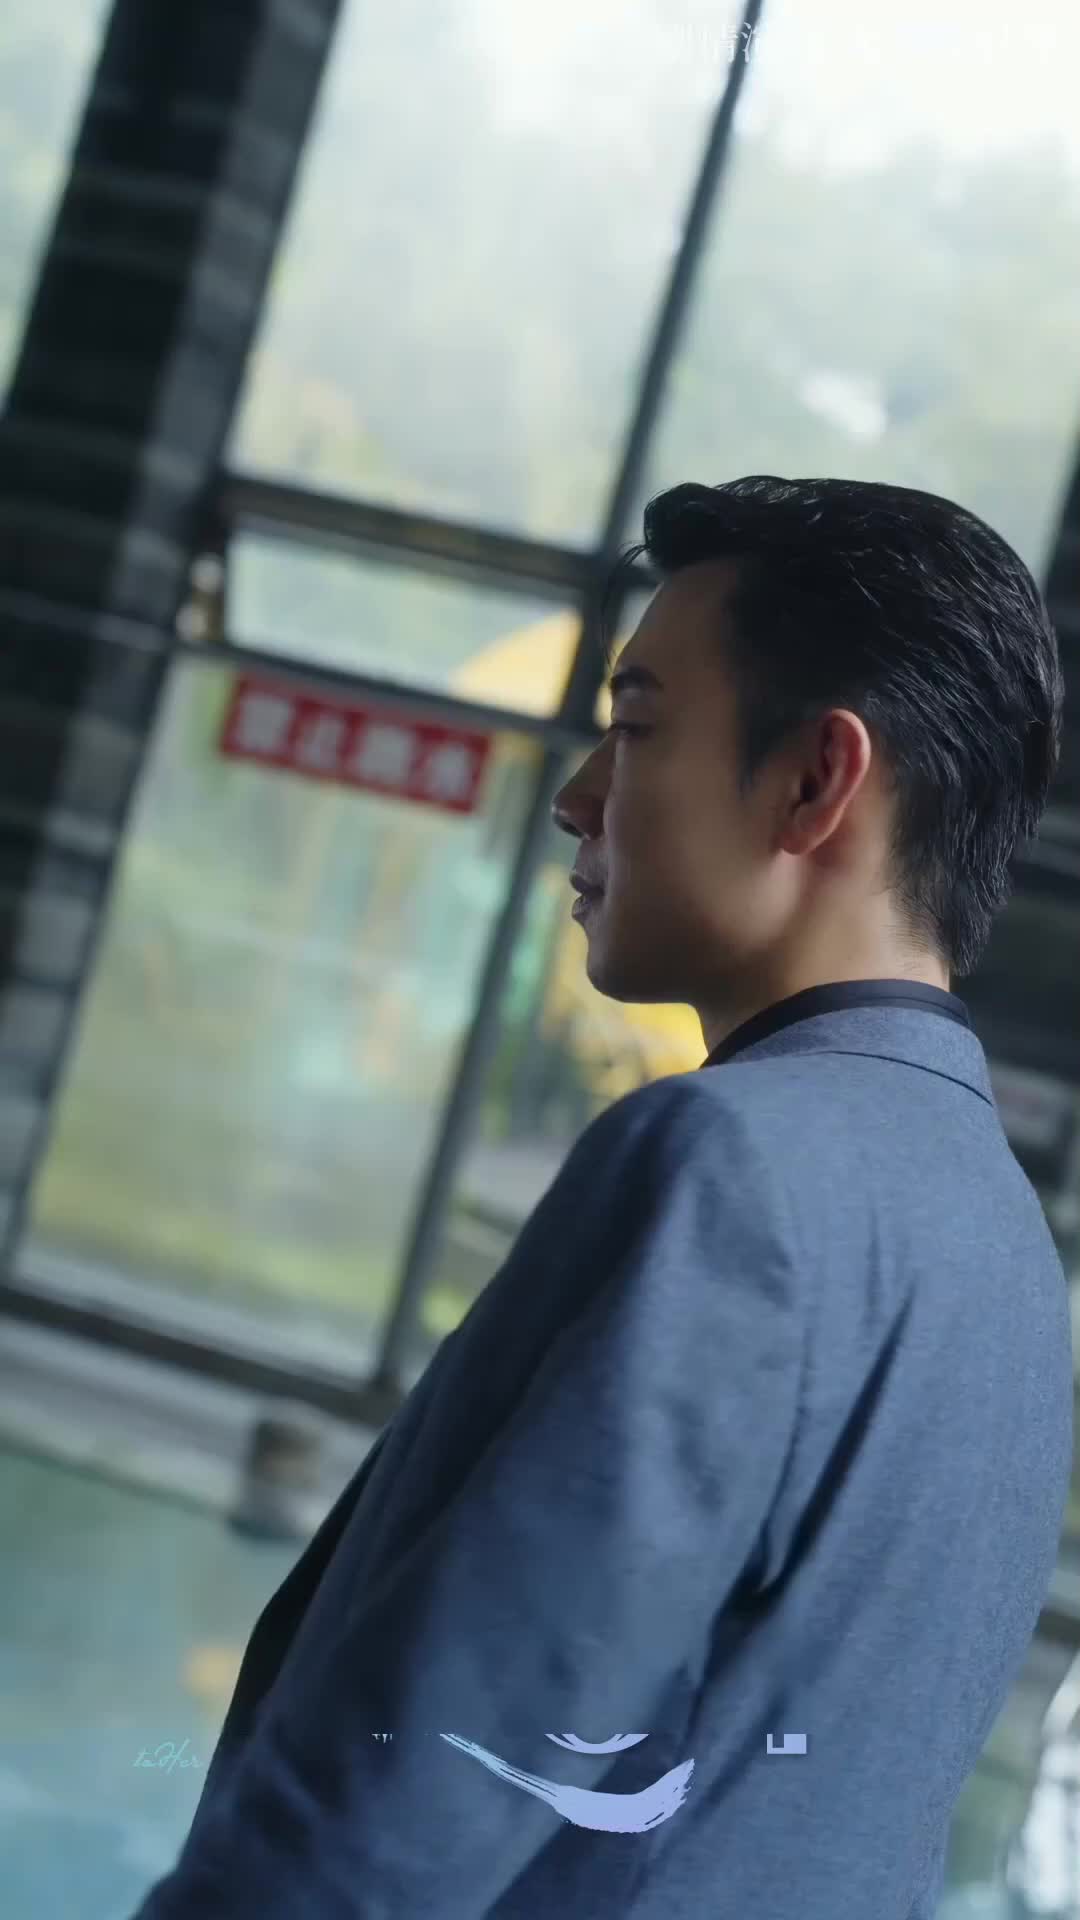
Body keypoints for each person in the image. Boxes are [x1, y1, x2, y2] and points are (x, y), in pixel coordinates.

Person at [132, 476, 1073, 1919]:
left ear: (816, 782)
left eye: (636, 728)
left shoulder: (731, 1163)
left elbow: (420, 1786)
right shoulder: (1004, 1249)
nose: (578, 795)